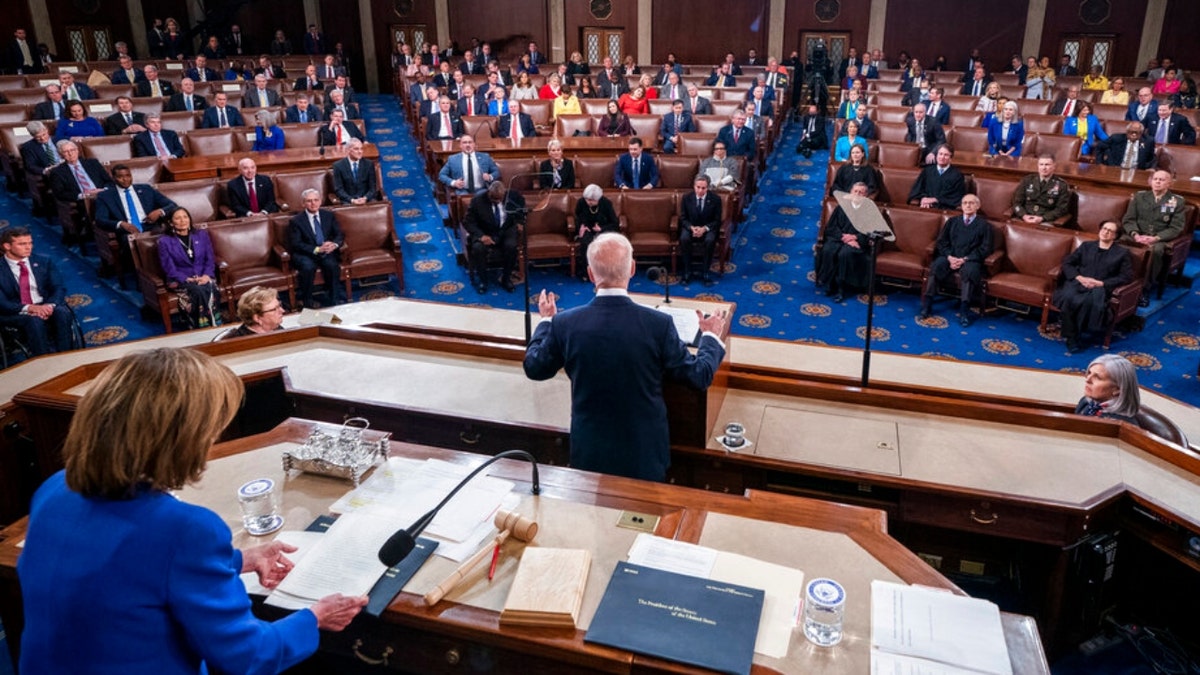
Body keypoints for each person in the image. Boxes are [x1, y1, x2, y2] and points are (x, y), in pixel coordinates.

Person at [18, 348, 367, 673]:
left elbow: (128, 572)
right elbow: (247, 656)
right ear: (183, 438)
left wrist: (237, 560)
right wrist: (314, 617)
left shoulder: (54, 489)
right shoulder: (185, 530)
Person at [523, 232, 726, 482]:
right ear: (632, 269)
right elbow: (698, 376)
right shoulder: (658, 325)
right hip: (643, 454)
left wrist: (546, 321)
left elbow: (535, 367)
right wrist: (710, 337)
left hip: (590, 451)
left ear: (590, 274)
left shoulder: (565, 324)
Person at [1055, 221, 1133, 353]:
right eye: (1104, 228)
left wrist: (1101, 283)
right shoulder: (1086, 246)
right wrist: (1079, 278)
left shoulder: (1122, 253)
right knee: (1068, 297)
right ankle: (1072, 335)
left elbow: (1126, 277)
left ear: (1115, 236)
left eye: (1110, 231)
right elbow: (1067, 263)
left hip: (1100, 287)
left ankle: (1073, 337)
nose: (1105, 232)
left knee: (1086, 302)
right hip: (1079, 282)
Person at [918, 194, 992, 326]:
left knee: (969, 273)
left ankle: (964, 312)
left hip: (970, 260)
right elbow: (941, 243)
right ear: (961, 206)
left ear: (978, 206)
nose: (968, 205)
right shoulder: (952, 221)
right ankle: (927, 305)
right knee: (936, 267)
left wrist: (965, 259)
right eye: (965, 203)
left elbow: (985, 249)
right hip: (950, 256)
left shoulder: (984, 226)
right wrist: (949, 257)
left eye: (971, 203)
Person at [0, 227, 74, 356]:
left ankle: (67, 356)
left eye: (30, 243)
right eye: (22, 244)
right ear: (7, 246)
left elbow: (58, 287)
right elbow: (2, 303)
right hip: (16, 311)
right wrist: (30, 308)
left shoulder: (44, 261)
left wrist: (49, 306)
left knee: (62, 312)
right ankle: (43, 360)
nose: (28, 247)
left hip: (45, 304)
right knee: (34, 320)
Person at [1122, 169, 1187, 296]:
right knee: (1120, 244)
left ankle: (1145, 287)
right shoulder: (1139, 197)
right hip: (1137, 236)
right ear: (1150, 182)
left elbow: (1176, 228)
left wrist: (1156, 238)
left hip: (1158, 239)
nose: (1157, 182)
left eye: (1162, 180)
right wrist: (1135, 234)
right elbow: (1128, 220)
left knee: (1155, 251)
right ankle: (1121, 281)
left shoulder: (1177, 201)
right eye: (1155, 179)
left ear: (1169, 183)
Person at [157, 207, 220, 329]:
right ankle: (201, 324)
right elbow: (169, 268)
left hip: (203, 275)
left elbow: (210, 259)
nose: (183, 220)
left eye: (185, 217)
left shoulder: (201, 235)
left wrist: (206, 275)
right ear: (170, 223)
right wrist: (187, 279)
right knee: (199, 290)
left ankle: (211, 320)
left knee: (209, 286)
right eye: (178, 218)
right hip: (180, 279)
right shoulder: (164, 241)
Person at [288, 188, 346, 308]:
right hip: (306, 253)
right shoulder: (296, 221)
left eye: (316, 200)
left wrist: (333, 245)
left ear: (320, 201)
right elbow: (296, 244)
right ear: (303, 203)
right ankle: (307, 302)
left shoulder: (328, 215)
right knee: (308, 267)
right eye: (309, 201)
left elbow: (339, 234)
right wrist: (316, 249)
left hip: (326, 251)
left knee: (331, 265)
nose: (313, 203)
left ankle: (334, 300)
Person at [464, 180, 524, 293]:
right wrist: (481, 236)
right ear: (488, 193)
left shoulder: (513, 196)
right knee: (478, 248)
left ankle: (506, 279)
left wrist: (520, 222)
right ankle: (483, 281)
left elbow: (521, 208)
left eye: (499, 199)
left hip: (505, 230)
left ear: (504, 194)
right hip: (485, 232)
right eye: (493, 198)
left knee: (511, 246)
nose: (496, 201)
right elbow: (468, 222)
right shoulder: (477, 200)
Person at [817, 182, 872, 302]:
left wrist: (856, 238)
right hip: (838, 239)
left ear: (866, 196)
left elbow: (870, 231)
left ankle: (841, 289)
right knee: (828, 250)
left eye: (861, 192)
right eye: (855, 191)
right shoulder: (842, 207)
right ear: (851, 193)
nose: (857, 194)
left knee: (845, 254)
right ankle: (829, 284)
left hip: (856, 242)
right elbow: (831, 227)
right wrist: (844, 237)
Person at [93, 164, 176, 240]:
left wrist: (159, 212)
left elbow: (172, 205)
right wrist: (121, 224)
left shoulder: (146, 189)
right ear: (114, 178)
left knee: (168, 236)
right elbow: (100, 219)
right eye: (120, 177)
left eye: (128, 175)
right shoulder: (105, 196)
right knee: (127, 240)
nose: (125, 179)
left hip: (151, 227)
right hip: (126, 231)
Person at [679, 175, 722, 285]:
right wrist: (691, 228)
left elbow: (717, 220)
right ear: (694, 186)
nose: (700, 190)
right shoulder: (686, 198)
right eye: (698, 187)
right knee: (684, 238)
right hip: (691, 227)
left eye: (703, 188)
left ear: (707, 188)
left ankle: (705, 272)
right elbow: (683, 218)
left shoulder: (716, 199)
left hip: (707, 228)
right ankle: (687, 271)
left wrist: (704, 229)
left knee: (710, 240)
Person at [1075, 354, 1141, 424]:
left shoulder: (1122, 425)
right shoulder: (1086, 402)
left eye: (1098, 377)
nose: (1088, 380)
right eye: (1089, 373)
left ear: (1117, 389)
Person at [573, 184, 619, 279]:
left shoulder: (606, 203)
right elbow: (577, 218)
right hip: (587, 228)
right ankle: (586, 272)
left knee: (603, 244)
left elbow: (614, 223)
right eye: (587, 199)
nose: (589, 202)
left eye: (592, 200)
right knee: (586, 244)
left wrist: (601, 229)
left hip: (603, 229)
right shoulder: (581, 202)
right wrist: (580, 227)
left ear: (598, 199)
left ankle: (603, 272)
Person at [1011, 155, 1071, 226]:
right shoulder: (1027, 180)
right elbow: (1017, 203)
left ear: (1054, 166)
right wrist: (1023, 215)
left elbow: (1061, 209)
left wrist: (1042, 218)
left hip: (1046, 221)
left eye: (1047, 165)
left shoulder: (1061, 185)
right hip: (1024, 218)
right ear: (1038, 166)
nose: (1044, 168)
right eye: (1041, 164)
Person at [908, 144, 964, 209]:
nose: (942, 157)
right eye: (940, 154)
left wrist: (936, 199)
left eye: (946, 155)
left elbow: (957, 197)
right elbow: (918, 190)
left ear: (951, 158)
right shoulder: (927, 171)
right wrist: (923, 198)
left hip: (945, 209)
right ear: (936, 155)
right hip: (925, 207)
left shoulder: (957, 175)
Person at [222, 286, 287, 338]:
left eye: (279, 306)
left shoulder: (276, 328)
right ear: (257, 318)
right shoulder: (241, 342)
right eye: (274, 309)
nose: (282, 311)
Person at [332, 138, 380, 204]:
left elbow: (372, 188)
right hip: (348, 201)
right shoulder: (338, 166)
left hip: (366, 200)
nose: (360, 151)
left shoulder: (369, 164)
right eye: (356, 149)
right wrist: (352, 200)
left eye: (361, 149)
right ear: (348, 150)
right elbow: (339, 190)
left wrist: (365, 198)